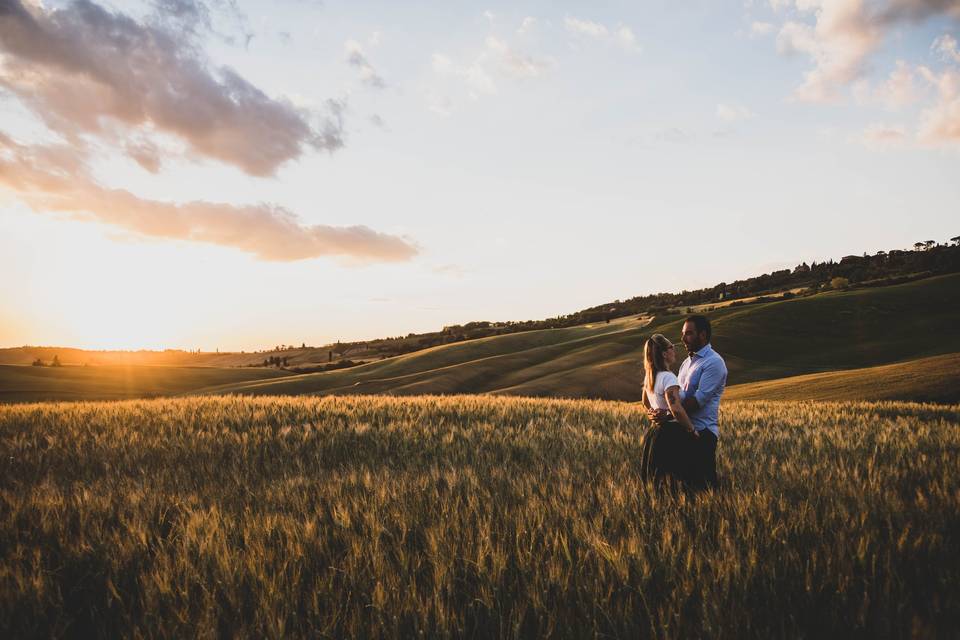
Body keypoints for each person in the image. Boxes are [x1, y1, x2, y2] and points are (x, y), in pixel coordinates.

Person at [647, 315, 727, 490]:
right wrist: (657, 412)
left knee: (703, 488)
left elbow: (697, 402)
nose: (683, 338)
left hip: (702, 433)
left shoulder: (714, 363)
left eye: (689, 333)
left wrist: (668, 414)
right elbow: (676, 398)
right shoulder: (686, 363)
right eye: (683, 333)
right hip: (684, 432)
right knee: (680, 490)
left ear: (703, 335)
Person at [639, 333, 699, 487]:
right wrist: (692, 430)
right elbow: (676, 409)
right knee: (677, 483)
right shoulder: (668, 377)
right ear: (664, 354)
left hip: (655, 434)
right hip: (672, 434)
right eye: (671, 347)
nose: (674, 349)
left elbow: (645, 402)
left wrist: (654, 413)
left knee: (659, 484)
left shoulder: (650, 377)